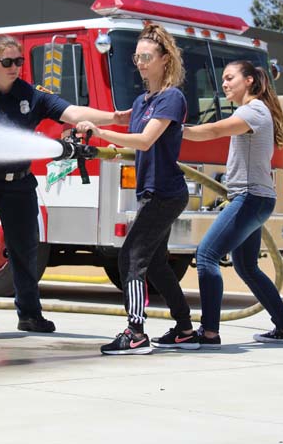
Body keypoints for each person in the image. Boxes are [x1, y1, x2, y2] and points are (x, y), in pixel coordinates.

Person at [0, 33, 131, 342]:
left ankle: (29, 315)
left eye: (19, 61)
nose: (15, 67)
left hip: (18, 184)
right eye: (7, 62)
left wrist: (114, 117)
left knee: (26, 246)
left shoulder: (33, 96)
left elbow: (74, 112)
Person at [77, 23, 197, 355]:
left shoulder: (171, 98)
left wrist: (99, 134)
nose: (141, 63)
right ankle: (185, 328)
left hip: (165, 192)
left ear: (164, 59)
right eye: (136, 56)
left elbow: (145, 140)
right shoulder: (143, 101)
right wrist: (79, 124)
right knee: (156, 263)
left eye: (147, 56)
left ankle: (136, 332)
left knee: (131, 256)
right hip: (151, 191)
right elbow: (117, 120)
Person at [183, 60, 283, 347]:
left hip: (250, 198)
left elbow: (212, 131)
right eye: (223, 79)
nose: (224, 84)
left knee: (207, 256)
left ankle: (209, 332)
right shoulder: (255, 111)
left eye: (230, 78)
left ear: (249, 81)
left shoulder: (254, 111)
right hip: (255, 199)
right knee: (246, 267)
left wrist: (171, 129)